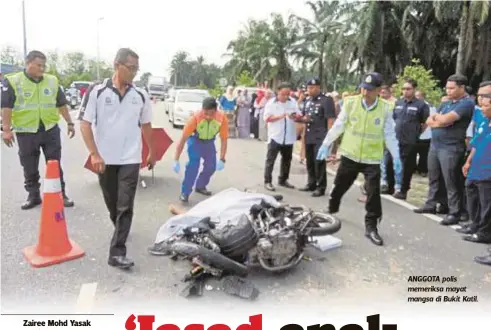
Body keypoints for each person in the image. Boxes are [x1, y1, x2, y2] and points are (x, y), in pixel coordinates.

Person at [79, 48, 155, 269]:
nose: (134, 73)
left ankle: (117, 251)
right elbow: (84, 124)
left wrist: (150, 151)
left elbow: (147, 125)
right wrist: (94, 153)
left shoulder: (140, 95)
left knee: (125, 204)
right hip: (104, 159)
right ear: (117, 65)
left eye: (136, 69)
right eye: (130, 68)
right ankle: (120, 226)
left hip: (131, 158)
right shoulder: (97, 91)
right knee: (112, 201)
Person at [316, 72, 402, 246]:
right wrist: (326, 144)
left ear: (378, 90)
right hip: (350, 155)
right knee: (340, 186)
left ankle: (371, 227)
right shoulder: (350, 103)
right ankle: (332, 208)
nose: (365, 92)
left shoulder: (385, 108)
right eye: (363, 88)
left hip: (372, 159)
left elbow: (389, 134)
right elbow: (339, 126)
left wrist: (396, 155)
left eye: (370, 90)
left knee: (373, 194)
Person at [1, 50, 75, 210]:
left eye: (44, 65)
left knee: (54, 164)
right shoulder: (13, 81)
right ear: (28, 64)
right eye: (38, 65)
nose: (42, 69)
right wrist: (6, 130)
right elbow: (6, 107)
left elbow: (61, 103)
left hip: (50, 129)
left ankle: (60, 195)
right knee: (29, 165)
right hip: (26, 132)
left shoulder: (52, 81)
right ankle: (33, 196)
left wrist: (69, 122)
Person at [414, 74, 474, 226]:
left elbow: (446, 119)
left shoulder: (466, 104)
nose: (448, 91)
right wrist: (439, 121)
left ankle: (454, 212)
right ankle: (432, 204)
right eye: (447, 87)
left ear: (462, 87)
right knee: (434, 177)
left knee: (451, 180)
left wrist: (440, 120)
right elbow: (429, 120)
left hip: (452, 147)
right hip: (436, 144)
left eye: (452, 88)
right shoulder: (447, 103)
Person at [172, 97, 228, 202]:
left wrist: (222, 158)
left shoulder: (222, 119)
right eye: (205, 113)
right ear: (202, 109)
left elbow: (224, 139)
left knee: (211, 166)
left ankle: (200, 185)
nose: (207, 117)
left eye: (211, 114)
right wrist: (176, 159)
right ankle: (185, 192)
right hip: (195, 141)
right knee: (193, 166)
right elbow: (183, 139)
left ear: (216, 110)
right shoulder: (195, 118)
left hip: (209, 142)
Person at [459, 81, 491, 242]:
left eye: (485, 97)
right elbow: (476, 144)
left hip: (487, 172)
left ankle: (484, 232)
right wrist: (468, 162)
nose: (481, 101)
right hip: (476, 168)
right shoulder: (484, 119)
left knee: (486, 203)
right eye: (480, 96)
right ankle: (475, 224)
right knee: (472, 195)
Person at [391, 78, 430, 200]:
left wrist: (416, 134)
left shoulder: (421, 105)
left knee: (407, 166)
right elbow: (394, 119)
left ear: (414, 89)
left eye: (408, 89)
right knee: (391, 162)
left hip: (410, 141)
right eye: (403, 89)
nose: (405, 91)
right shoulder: (398, 103)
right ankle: (390, 186)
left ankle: (403, 190)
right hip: (396, 138)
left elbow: (425, 123)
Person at [297, 78, 336, 197]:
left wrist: (330, 139)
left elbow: (330, 120)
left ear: (319, 88)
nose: (311, 90)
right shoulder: (308, 100)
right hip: (309, 135)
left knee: (318, 162)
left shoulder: (326, 100)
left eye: (313, 87)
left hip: (321, 136)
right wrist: (300, 119)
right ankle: (311, 183)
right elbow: (305, 117)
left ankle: (321, 186)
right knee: (309, 161)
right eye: (309, 88)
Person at [263, 82, 302, 192]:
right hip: (276, 136)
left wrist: (295, 116)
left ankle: (283, 179)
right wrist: (281, 116)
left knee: (287, 160)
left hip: (289, 136)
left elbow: (298, 114)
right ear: (278, 92)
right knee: (270, 160)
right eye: (283, 94)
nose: (286, 96)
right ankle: (268, 181)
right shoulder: (271, 103)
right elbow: (266, 118)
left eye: (288, 94)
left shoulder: (293, 102)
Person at [415, 90, 436, 176]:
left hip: (425, 135)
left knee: (424, 154)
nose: (416, 98)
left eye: (418, 96)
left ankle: (423, 170)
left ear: (423, 97)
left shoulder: (430, 107)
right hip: (414, 135)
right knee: (412, 153)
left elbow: (428, 121)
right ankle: (413, 168)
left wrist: (420, 131)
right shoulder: (414, 105)